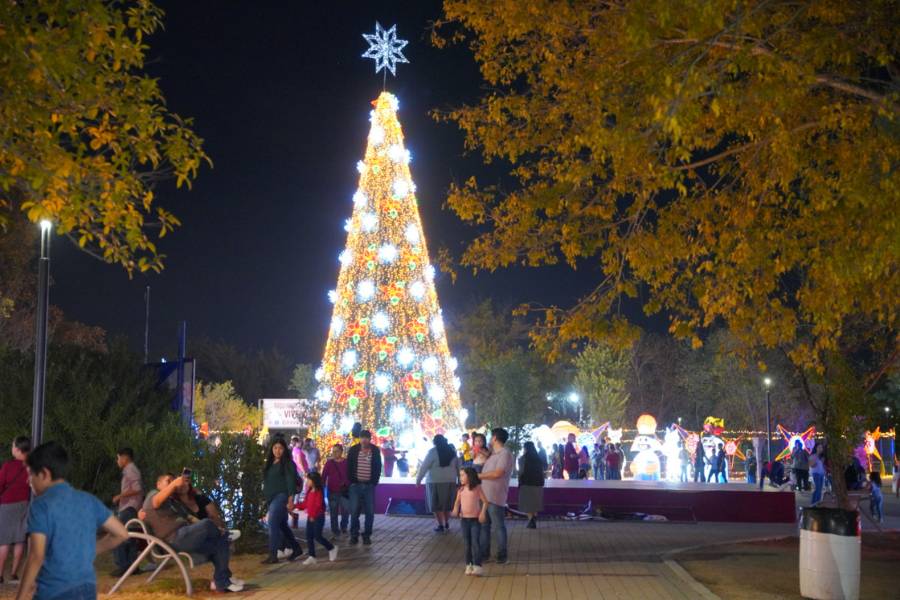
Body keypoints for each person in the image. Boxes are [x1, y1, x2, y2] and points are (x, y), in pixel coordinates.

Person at [16, 441, 129, 600]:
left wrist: (20, 597)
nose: (28, 481)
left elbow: (36, 555)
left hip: (54, 591)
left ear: (44, 474)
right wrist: (90, 549)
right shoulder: (88, 500)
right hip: (87, 589)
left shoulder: (41, 505)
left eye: (30, 474)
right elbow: (122, 534)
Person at [141, 473, 243, 593]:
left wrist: (216, 529)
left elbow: (190, 518)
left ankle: (222, 581)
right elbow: (156, 502)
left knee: (220, 543)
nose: (172, 484)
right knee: (207, 524)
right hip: (173, 540)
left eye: (173, 482)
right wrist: (174, 483)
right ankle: (226, 535)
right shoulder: (152, 495)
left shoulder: (172, 502)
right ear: (158, 484)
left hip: (186, 536)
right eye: (168, 481)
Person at [261, 438, 302, 564]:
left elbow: (290, 482)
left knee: (272, 523)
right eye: (275, 448)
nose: (277, 451)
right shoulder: (269, 463)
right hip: (271, 497)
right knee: (282, 525)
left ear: (284, 450)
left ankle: (273, 555)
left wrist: (290, 499)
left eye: (280, 448)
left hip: (282, 496)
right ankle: (296, 548)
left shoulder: (288, 463)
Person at [478, 428, 514, 564]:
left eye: (490, 436)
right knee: (484, 526)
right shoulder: (493, 454)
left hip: (495, 496)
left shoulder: (505, 454)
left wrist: (479, 476)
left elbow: (498, 473)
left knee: (498, 526)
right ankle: (484, 554)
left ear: (494, 438)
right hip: (484, 496)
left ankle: (502, 555)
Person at [0, 436, 30, 585]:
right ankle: (13, 574)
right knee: (19, 540)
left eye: (13, 446)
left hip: (7, 505)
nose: (11, 449)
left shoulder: (8, 466)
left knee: (4, 541)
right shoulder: (31, 467)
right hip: (24, 504)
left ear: (18, 450)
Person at [110, 447, 143, 577]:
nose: (117, 461)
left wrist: (120, 496)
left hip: (129, 507)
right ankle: (132, 567)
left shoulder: (130, 469)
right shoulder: (131, 469)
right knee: (131, 537)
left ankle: (123, 566)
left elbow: (137, 488)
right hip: (131, 507)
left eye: (118, 458)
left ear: (125, 457)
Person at [416, 434, 459, 533]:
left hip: (435, 481)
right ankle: (447, 523)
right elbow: (458, 467)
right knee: (447, 504)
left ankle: (441, 525)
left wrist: (418, 480)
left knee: (436, 505)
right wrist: (459, 480)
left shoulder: (432, 452)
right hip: (450, 481)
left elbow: (424, 467)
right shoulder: (452, 452)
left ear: (434, 442)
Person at [346, 430, 382, 545]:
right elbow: (349, 465)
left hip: (369, 486)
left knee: (370, 512)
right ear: (360, 438)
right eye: (362, 438)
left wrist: (374, 481)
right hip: (355, 486)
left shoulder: (375, 450)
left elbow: (378, 466)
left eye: (366, 438)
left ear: (370, 439)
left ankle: (367, 535)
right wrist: (351, 480)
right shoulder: (353, 450)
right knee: (354, 511)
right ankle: (354, 535)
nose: (364, 440)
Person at [452, 467, 488, 576]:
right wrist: (455, 509)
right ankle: (469, 564)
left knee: (475, 543)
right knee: (467, 544)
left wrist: (482, 513)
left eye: (463, 475)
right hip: (464, 520)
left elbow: (485, 502)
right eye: (460, 475)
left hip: (475, 520)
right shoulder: (461, 490)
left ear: (470, 476)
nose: (460, 477)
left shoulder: (477, 488)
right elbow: (457, 502)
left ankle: (478, 565)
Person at [297, 472, 337, 565]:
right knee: (309, 536)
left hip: (317, 517)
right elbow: (305, 504)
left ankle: (331, 548)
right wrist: (295, 506)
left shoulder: (318, 491)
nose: (307, 481)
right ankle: (312, 556)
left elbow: (318, 505)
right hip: (311, 517)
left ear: (314, 481)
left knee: (317, 536)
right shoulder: (309, 491)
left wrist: (312, 515)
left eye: (309, 480)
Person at [321, 444, 350, 537]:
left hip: (344, 491)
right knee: (333, 512)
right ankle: (335, 529)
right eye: (333, 451)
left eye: (336, 451)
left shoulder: (346, 462)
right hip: (332, 491)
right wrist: (321, 488)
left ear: (341, 452)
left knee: (345, 511)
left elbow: (350, 475)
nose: (334, 453)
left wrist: (347, 483)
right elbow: (324, 476)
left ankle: (344, 527)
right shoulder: (329, 463)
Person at [517, 442, 545, 529]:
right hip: (538, 483)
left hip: (526, 483)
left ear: (525, 448)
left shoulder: (522, 459)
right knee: (535, 502)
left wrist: (519, 482)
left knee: (528, 503)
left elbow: (521, 472)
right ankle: (533, 519)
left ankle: (531, 520)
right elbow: (542, 472)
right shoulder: (538, 459)